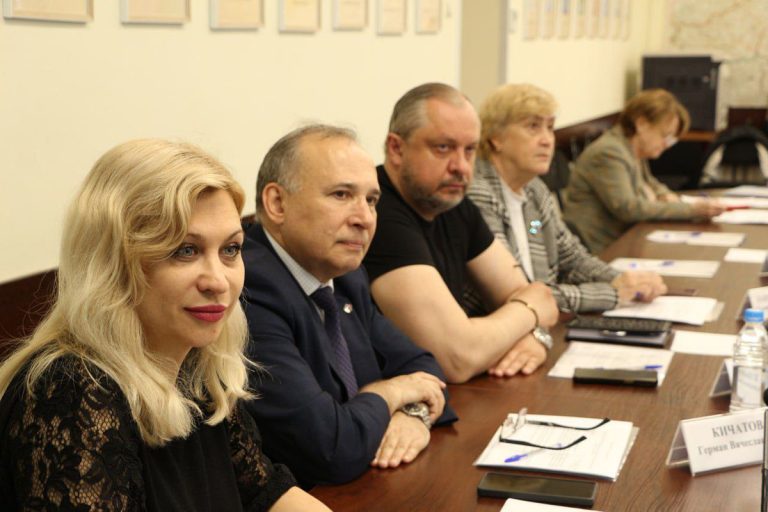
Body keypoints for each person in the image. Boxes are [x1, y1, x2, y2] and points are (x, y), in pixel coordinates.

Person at [0, 139, 330, 511]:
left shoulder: (195, 365)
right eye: (185, 251)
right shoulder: (72, 391)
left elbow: (266, 492)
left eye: (230, 249)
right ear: (114, 266)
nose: (218, 281)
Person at [241, 125, 456, 488]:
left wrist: (414, 415)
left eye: (371, 200)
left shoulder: (344, 276)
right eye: (341, 195)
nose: (365, 218)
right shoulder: (250, 289)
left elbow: (423, 367)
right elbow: (331, 449)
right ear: (277, 203)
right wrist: (389, 393)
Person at [363, 83, 559, 383]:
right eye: (443, 148)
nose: (461, 167)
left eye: (469, 150)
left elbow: (535, 294)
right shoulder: (376, 214)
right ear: (396, 149)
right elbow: (458, 357)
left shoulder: (453, 202)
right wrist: (533, 314)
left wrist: (537, 337)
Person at [467, 83, 667, 314]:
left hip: (542, 319)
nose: (547, 140)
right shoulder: (479, 195)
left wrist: (624, 281)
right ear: (496, 137)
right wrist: (612, 294)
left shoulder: (533, 192)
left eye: (550, 127)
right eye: (533, 127)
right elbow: (519, 296)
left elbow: (570, 257)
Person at [564, 88, 726, 253]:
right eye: (664, 135)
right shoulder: (609, 152)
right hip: (600, 249)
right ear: (641, 124)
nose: (666, 144)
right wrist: (692, 210)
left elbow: (650, 183)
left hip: (627, 238)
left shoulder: (631, 148)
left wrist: (665, 195)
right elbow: (629, 209)